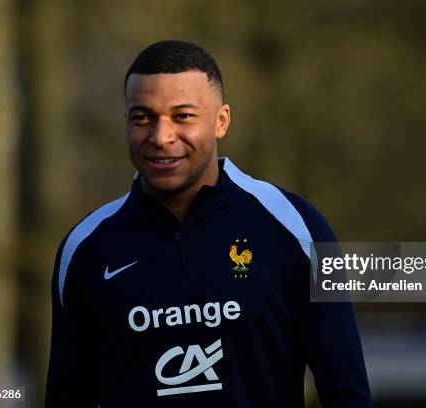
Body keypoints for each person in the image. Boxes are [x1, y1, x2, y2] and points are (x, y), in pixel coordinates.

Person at [45, 40, 371, 407]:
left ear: (221, 121)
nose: (161, 137)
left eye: (182, 116)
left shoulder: (295, 227)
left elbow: (347, 392)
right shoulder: (85, 249)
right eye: (142, 117)